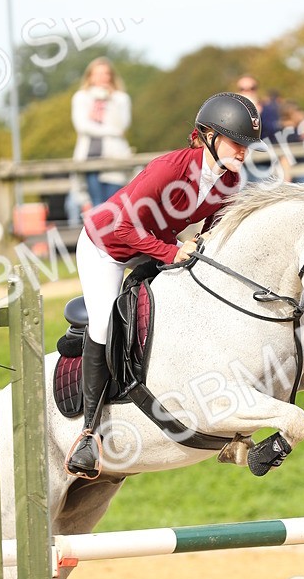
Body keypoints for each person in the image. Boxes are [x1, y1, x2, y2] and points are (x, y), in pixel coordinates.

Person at [65, 91, 261, 479]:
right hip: (105, 246)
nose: (243, 152)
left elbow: (213, 232)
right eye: (237, 143)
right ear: (208, 136)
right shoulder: (168, 169)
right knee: (105, 322)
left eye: (247, 145)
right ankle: (88, 434)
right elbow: (120, 226)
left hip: (155, 248)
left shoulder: (231, 180)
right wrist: (170, 254)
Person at [72, 58, 132, 208]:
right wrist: (111, 131)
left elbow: (122, 125)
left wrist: (110, 101)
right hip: (90, 158)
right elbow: (83, 126)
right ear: (90, 76)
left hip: (114, 159)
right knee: (97, 206)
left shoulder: (120, 99)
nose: (102, 77)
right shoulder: (81, 97)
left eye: (105, 73)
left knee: (115, 205)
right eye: (97, 74)